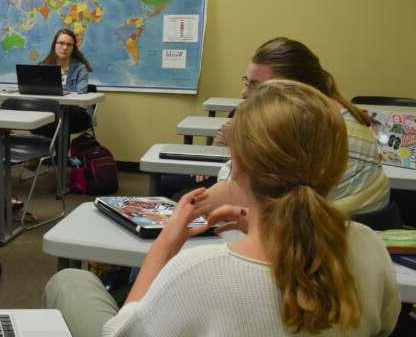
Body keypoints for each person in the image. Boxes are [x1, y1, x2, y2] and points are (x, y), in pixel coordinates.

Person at [44, 80, 401, 337]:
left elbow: (118, 333)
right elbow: (384, 325)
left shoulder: (197, 270)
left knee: (70, 280)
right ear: (337, 165)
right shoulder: (368, 246)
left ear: (238, 163)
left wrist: (164, 247)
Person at [165, 37, 390, 218]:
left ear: (294, 88)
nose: (244, 93)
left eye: (256, 85)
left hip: (311, 230)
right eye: (246, 81)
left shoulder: (309, 129)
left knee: (179, 200)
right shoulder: (331, 112)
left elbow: (245, 188)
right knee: (177, 188)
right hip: (327, 221)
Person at [35, 28, 92, 135]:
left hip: (75, 113)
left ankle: (57, 151)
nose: (65, 47)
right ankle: (51, 150)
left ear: (73, 48)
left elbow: (81, 98)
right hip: (49, 111)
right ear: (54, 45)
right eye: (61, 43)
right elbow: (38, 94)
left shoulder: (80, 68)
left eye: (69, 45)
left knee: (60, 114)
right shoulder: (43, 66)